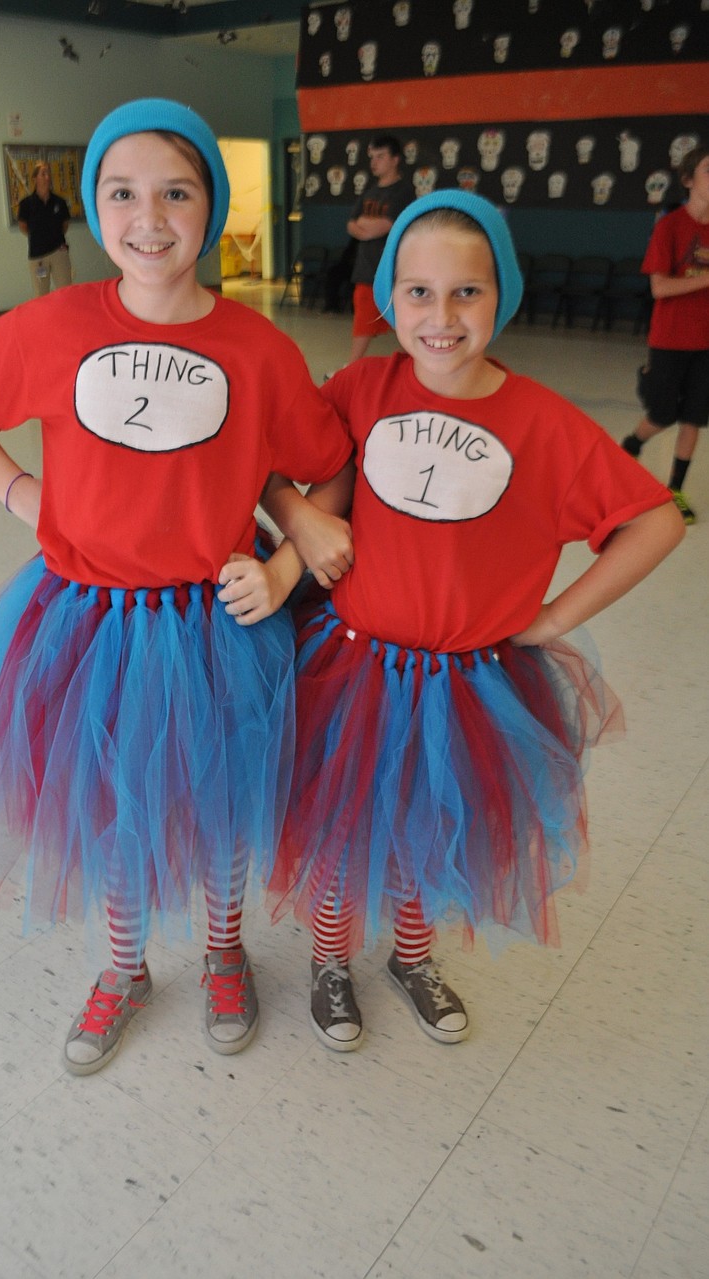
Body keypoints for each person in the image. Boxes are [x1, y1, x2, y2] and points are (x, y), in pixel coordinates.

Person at [0, 99, 351, 1074]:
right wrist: (15, 487)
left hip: (213, 622)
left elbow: (328, 467)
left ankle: (224, 947)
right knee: (113, 801)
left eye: (175, 192)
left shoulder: (257, 348)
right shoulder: (59, 322)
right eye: (122, 192)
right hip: (91, 619)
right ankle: (123, 967)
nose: (148, 216)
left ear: (210, 207)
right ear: (92, 205)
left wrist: (284, 561)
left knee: (222, 796)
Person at [261, 190, 684, 1052]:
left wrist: (554, 616)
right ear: (389, 296)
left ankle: (412, 957)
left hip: (468, 683)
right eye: (417, 291)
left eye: (467, 293)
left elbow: (656, 520)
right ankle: (332, 957)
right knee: (340, 824)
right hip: (353, 666)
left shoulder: (543, 423)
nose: (441, 317)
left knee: (433, 825)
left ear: (504, 294)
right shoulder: (358, 387)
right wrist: (300, 518)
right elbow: (262, 448)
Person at [621, 145, 709, 524]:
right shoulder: (670, 227)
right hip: (671, 339)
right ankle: (633, 443)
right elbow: (659, 288)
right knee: (663, 414)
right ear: (689, 180)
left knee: (695, 418)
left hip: (707, 344)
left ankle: (675, 491)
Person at [345, 135, 411, 362]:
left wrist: (366, 225)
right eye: (372, 157)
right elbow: (352, 224)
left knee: (406, 322)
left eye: (380, 156)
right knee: (362, 323)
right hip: (365, 271)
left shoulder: (404, 192)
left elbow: (386, 226)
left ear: (395, 159)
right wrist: (365, 227)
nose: (374, 162)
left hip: (394, 272)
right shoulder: (369, 192)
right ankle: (351, 368)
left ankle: (421, 365)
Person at [16, 161, 73, 296]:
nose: (47, 177)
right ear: (35, 178)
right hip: (38, 255)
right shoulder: (26, 204)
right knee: (41, 295)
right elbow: (23, 227)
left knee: (66, 291)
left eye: (48, 174)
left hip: (59, 251)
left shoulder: (59, 202)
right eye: (43, 174)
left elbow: (64, 225)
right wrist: (39, 236)